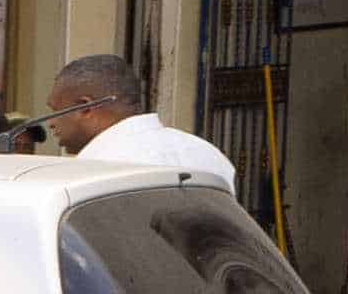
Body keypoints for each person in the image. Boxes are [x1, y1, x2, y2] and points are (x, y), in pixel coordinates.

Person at [41, 53, 237, 193]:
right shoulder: (206, 153)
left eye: (56, 111)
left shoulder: (96, 168)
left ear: (85, 107)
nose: (50, 123)